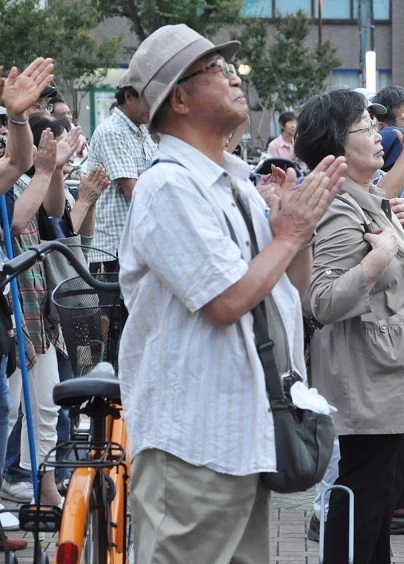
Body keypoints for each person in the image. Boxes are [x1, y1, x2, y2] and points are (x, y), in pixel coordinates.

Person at [117, 24, 346, 562]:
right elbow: (225, 301)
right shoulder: (169, 186)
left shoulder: (235, 182)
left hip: (244, 431)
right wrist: (288, 234)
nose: (234, 79)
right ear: (179, 97)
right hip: (194, 438)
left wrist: (296, 232)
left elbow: (291, 288)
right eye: (217, 71)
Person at [294, 88, 404, 564]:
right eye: (366, 128)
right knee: (363, 499)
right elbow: (323, 301)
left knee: (377, 498)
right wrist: (378, 260)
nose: (380, 136)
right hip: (365, 376)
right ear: (337, 145)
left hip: (382, 372)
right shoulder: (338, 206)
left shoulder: (368, 198)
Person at [0, 57, 56, 553]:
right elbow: (18, 221)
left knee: (5, 408)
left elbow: (15, 166)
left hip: (19, 309)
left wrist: (19, 118)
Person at [85, 73, 157, 274]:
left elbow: (162, 177)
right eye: (149, 99)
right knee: (116, 306)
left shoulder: (141, 132)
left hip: (137, 243)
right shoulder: (112, 131)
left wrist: (146, 177)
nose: (154, 106)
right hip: (115, 246)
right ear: (128, 97)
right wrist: (149, 178)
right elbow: (133, 191)